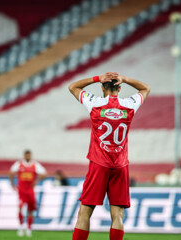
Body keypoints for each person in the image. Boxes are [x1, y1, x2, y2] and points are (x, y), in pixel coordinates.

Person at [68, 72, 150, 240]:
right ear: (119, 88)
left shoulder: (95, 103)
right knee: (118, 215)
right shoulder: (129, 104)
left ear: (102, 88)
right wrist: (126, 78)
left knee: (85, 212)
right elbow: (145, 88)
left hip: (99, 163)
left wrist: (97, 78)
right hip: (120, 165)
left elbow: (73, 87)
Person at [9, 150, 47, 237]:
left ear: (31, 155)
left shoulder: (35, 164)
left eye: (29, 155)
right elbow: (11, 173)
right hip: (21, 191)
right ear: (24, 155)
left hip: (30, 191)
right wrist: (12, 184)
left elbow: (44, 174)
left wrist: (37, 181)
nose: (28, 156)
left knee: (30, 210)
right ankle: (20, 227)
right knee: (21, 208)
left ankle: (29, 228)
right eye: (27, 155)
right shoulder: (19, 164)